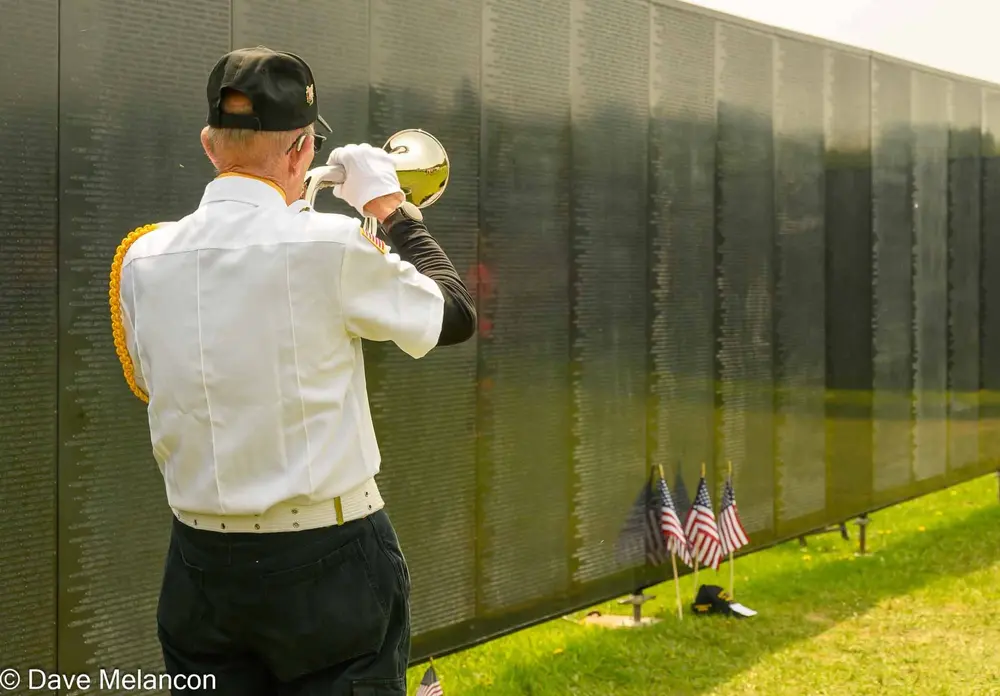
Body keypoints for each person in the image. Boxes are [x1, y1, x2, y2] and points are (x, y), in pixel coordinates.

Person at [110, 46, 476, 695]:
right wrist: (390, 211)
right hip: (328, 562)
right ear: (303, 152)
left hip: (198, 564)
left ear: (208, 143)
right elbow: (454, 313)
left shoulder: (141, 256)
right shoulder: (329, 247)